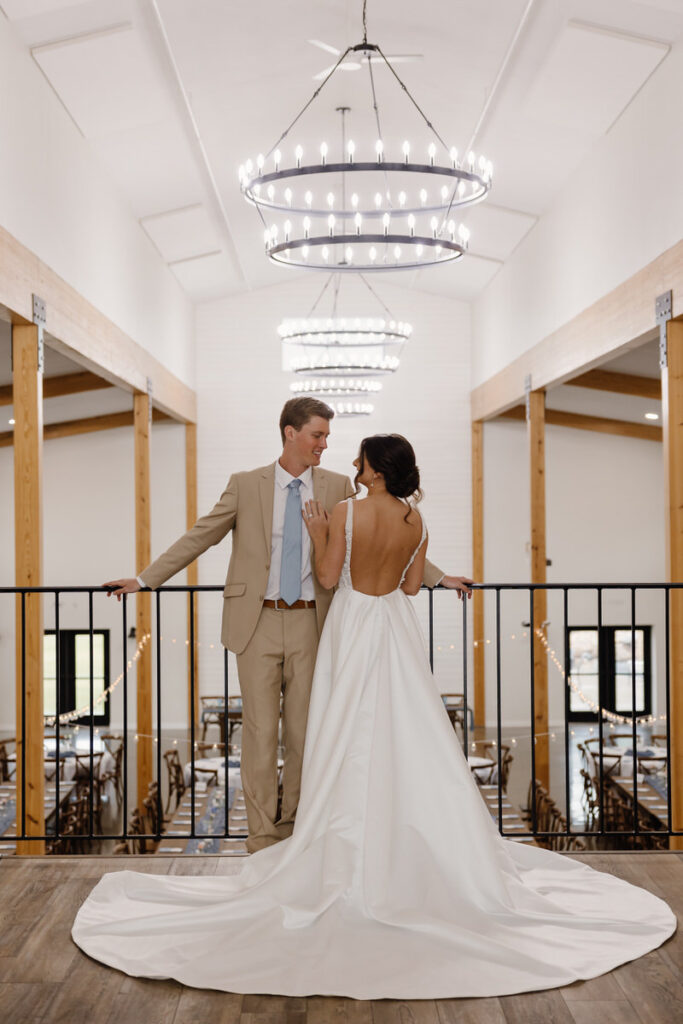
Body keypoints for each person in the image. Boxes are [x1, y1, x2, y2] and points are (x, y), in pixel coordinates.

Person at [74, 434, 675, 999]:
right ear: (293, 433)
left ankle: (331, 847)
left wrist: (317, 536)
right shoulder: (417, 520)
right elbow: (412, 587)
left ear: (375, 469)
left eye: (358, 457)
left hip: (349, 629)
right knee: (404, 733)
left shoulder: (344, 509)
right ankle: (398, 847)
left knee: (337, 735)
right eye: (324, 438)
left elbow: (332, 575)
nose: (343, 458)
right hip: (395, 630)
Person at [103, 399, 468, 853]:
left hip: (315, 622)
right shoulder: (245, 484)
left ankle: (295, 832)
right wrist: (143, 580)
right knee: (258, 732)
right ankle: (261, 836)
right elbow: (201, 535)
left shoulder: (340, 489)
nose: (325, 445)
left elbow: (381, 537)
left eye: (328, 437)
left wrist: (440, 576)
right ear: (290, 433)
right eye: (318, 435)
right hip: (254, 622)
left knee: (304, 733)